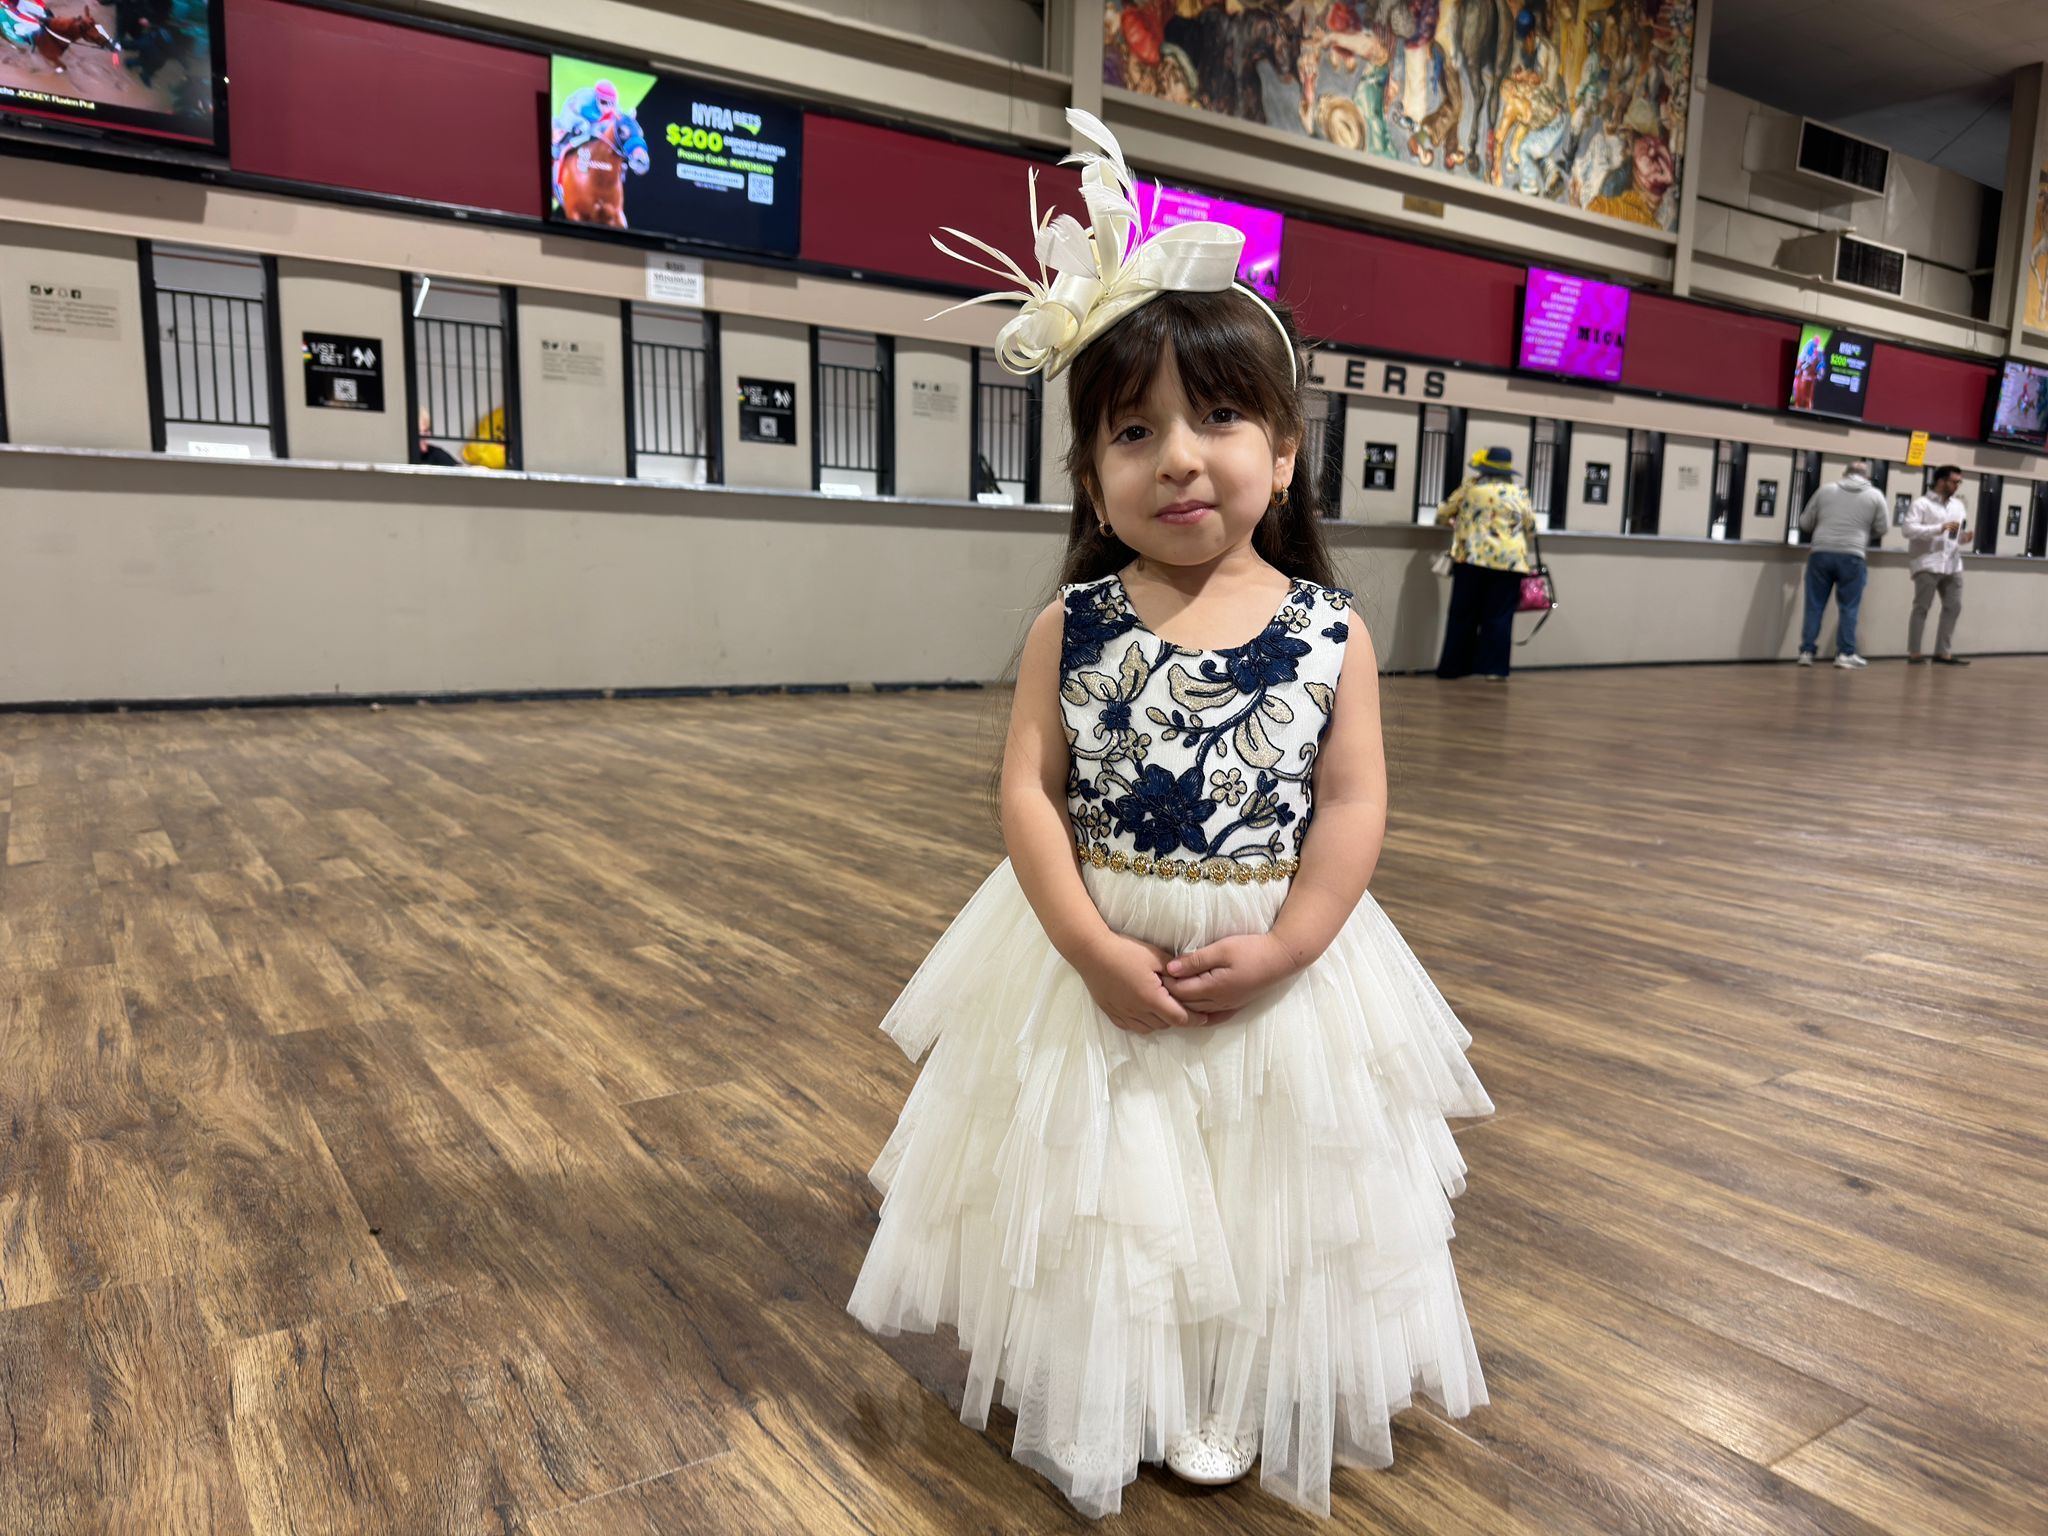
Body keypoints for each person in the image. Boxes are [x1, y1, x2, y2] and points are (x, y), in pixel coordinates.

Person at [848, 110, 1492, 1520]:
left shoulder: (1329, 629)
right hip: (1096, 939)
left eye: (1218, 420)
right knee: (1108, 1182)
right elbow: (1029, 786)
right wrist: (1081, 941)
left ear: (1286, 451)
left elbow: (1352, 797)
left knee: (1261, 1186)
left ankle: (1223, 1384)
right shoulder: (1068, 626)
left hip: (1275, 956)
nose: (1180, 458)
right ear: (1091, 473)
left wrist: (1298, 941)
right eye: (1134, 431)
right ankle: (1112, 1376)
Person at [1434, 446, 1538, 681]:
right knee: (1499, 617)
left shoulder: (1470, 489)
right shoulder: (1518, 493)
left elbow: (1442, 513)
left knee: (1462, 615)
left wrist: (1456, 521)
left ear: (1484, 468)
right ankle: (1494, 669)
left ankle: (1454, 668)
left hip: (1471, 559)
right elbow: (1531, 528)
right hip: (1509, 564)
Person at [1796, 460, 1888, 668]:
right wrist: (1862, 534)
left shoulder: (1825, 490)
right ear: (1867, 476)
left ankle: (1807, 652)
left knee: (1814, 605)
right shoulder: (1875, 495)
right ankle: (1845, 654)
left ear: (1844, 473)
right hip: (1853, 554)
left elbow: (1805, 523)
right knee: (1849, 607)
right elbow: (1882, 528)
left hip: (1821, 552)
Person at [1901, 464, 1970, 665]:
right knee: (1922, 607)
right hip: (1927, 562)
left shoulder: (1958, 506)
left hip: (1952, 564)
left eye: (1959, 482)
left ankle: (1943, 653)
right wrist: (1937, 528)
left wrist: (1965, 538)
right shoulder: (1921, 504)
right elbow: (1908, 530)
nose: (1958, 485)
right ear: (1941, 481)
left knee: (1953, 607)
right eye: (1955, 481)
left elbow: (1954, 536)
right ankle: (1914, 653)